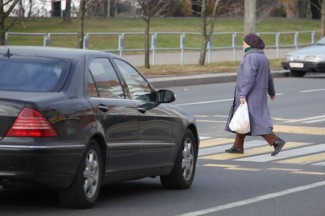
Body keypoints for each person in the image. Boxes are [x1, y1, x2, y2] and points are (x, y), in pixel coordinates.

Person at [224, 33, 286, 156]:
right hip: (258, 94)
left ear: (248, 44)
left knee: (254, 120)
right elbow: (269, 76)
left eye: (244, 42)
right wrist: (271, 91)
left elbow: (249, 78)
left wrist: (243, 95)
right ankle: (237, 146)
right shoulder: (263, 57)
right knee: (243, 119)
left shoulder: (250, 57)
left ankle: (276, 141)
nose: (243, 44)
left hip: (250, 95)